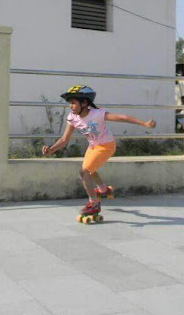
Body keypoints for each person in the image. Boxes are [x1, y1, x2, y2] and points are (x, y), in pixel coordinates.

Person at [41, 85, 156, 217]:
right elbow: (64, 139)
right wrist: (51, 150)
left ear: (84, 103)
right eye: (69, 103)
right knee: (90, 170)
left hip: (106, 146)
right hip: (93, 146)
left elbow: (121, 117)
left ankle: (94, 204)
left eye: (73, 103)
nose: (70, 106)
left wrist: (144, 124)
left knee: (83, 172)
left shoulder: (97, 114)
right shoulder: (72, 117)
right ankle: (103, 189)